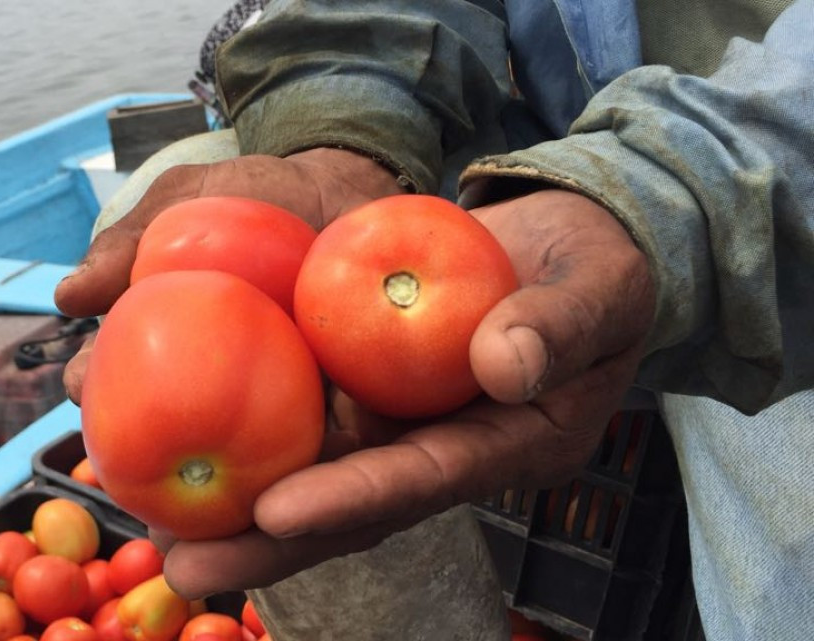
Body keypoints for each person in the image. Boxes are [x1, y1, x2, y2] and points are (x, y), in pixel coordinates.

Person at [56, 1, 814, 639]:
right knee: (163, 185)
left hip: (775, 163)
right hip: (552, 161)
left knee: (792, 566)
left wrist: (674, 200)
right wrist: (342, 134)